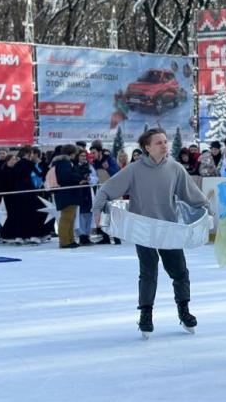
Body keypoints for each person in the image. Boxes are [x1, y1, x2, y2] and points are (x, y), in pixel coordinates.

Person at [91, 128, 208, 338]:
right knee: (148, 272)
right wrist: (97, 209)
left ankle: (184, 311)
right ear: (147, 147)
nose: (165, 145)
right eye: (159, 142)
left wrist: (208, 209)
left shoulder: (175, 168)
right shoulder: (134, 169)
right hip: (143, 229)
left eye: (165, 141)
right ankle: (146, 315)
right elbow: (107, 189)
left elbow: (192, 194)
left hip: (169, 229)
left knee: (180, 271)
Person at [0, 146, 49, 244]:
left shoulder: (17, 164)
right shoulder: (30, 163)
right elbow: (40, 174)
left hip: (18, 191)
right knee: (31, 214)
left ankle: (19, 236)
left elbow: (12, 177)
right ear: (29, 153)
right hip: (29, 190)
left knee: (20, 214)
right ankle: (33, 236)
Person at [51, 144, 89, 249]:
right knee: (66, 218)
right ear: (71, 153)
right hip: (67, 194)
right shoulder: (64, 163)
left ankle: (70, 239)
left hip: (68, 194)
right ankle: (64, 241)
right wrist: (79, 178)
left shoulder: (62, 162)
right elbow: (65, 176)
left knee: (70, 218)